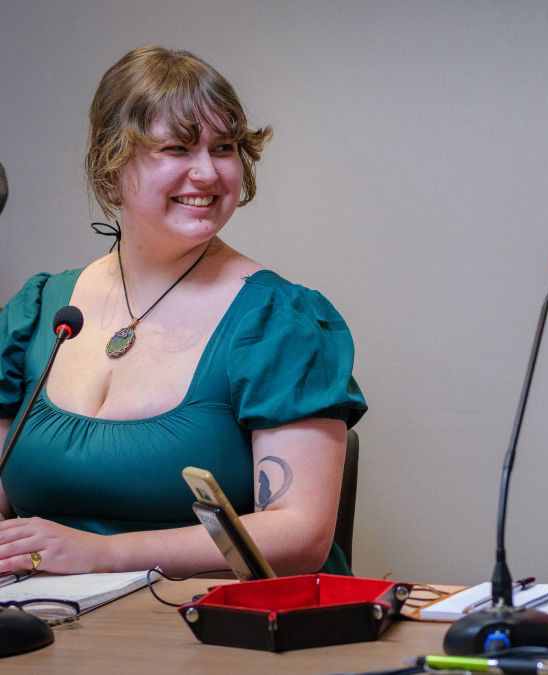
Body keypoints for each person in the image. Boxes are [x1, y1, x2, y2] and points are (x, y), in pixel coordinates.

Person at [0, 46, 366, 578]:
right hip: (45, 619)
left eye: (223, 148)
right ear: (111, 163)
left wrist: (104, 555)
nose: (207, 173)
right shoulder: (35, 313)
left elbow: (301, 535)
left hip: (210, 633)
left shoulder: (275, 320)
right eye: (176, 148)